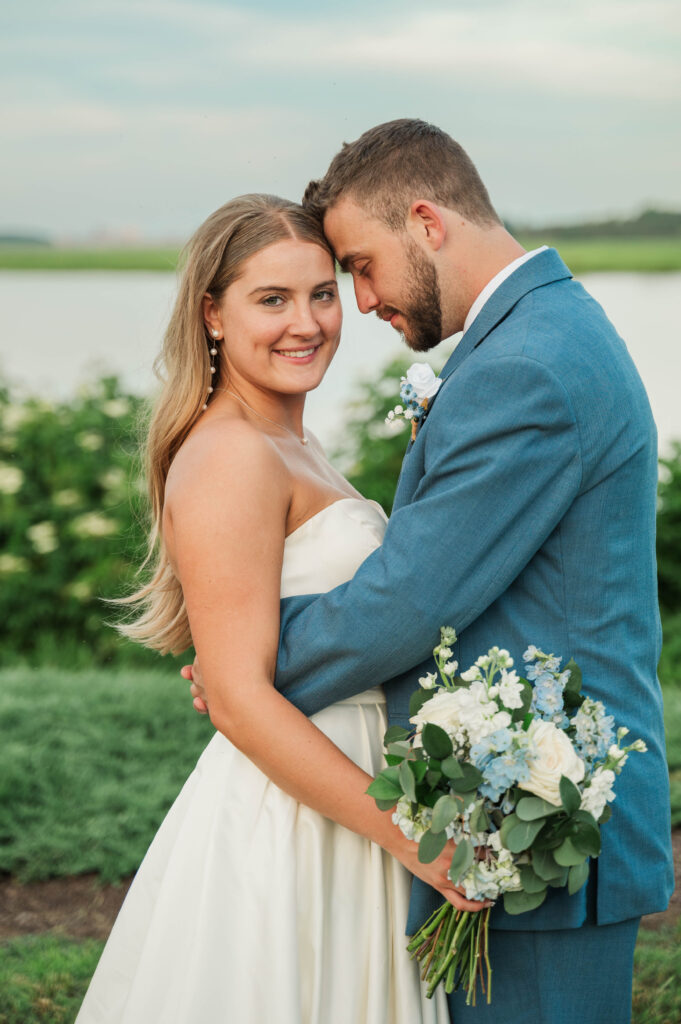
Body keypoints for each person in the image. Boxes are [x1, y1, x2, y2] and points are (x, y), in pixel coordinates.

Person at [188, 122, 674, 1023]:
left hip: (541, 827)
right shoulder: (542, 329)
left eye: (358, 268)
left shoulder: (525, 363)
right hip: (511, 817)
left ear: (425, 221)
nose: (360, 302)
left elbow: (411, 597)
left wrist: (245, 672)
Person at [75, 193, 453, 1023]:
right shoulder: (231, 455)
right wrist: (406, 835)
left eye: (321, 293)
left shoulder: (294, 441)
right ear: (212, 314)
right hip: (296, 817)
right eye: (271, 300)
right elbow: (239, 698)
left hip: (345, 784)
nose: (306, 323)